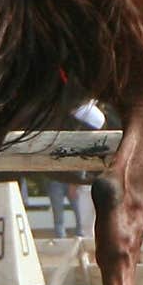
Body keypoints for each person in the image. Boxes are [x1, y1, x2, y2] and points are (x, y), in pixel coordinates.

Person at [46, 99, 106, 238]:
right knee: (82, 222)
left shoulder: (87, 129)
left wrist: (75, 181)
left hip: (85, 181)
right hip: (79, 183)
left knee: (86, 221)